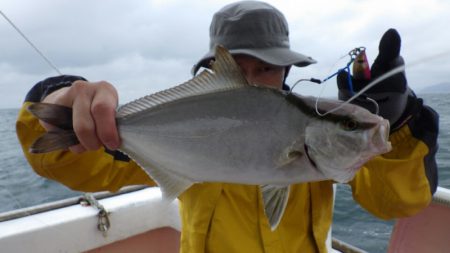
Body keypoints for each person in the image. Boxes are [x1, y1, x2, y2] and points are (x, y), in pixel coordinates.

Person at [16, 1, 438, 252]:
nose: (253, 79)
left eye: (267, 67)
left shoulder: (316, 136)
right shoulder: (175, 130)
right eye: (239, 67)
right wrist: (61, 99)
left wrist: (399, 127)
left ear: (286, 70)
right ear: (215, 70)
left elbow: (396, 204)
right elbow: (74, 166)